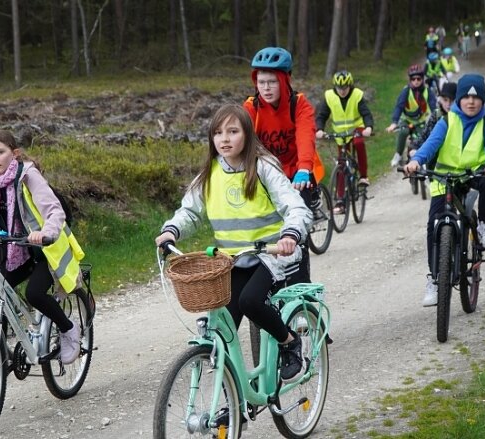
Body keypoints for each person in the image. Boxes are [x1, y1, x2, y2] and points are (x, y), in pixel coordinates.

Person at [154, 104, 312, 382]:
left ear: (247, 135)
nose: (224, 139)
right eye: (217, 133)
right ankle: (236, 399)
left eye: (232, 131)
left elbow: (296, 208)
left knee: (250, 301)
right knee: (224, 326)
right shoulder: (209, 174)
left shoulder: (263, 167)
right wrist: (171, 231)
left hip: (271, 255)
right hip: (233, 259)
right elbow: (189, 211)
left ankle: (289, 343)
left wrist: (290, 235)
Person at [0, 130, 85, 364]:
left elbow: (53, 210)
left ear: (15, 153)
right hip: (12, 252)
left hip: (44, 251)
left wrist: (45, 233)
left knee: (35, 294)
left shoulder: (27, 175)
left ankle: (68, 329)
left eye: (0, 152)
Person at [403, 74, 485, 306]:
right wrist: (416, 160)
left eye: (476, 97)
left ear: (482, 100)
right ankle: (435, 279)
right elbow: (431, 144)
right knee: (433, 224)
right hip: (445, 177)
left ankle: (484, 225)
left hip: (475, 174)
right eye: (466, 96)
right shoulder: (447, 120)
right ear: (459, 99)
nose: (471, 101)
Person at [243, 46, 323, 283]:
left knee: (296, 238)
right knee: (263, 237)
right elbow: (240, 141)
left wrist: (303, 168)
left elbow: (305, 136)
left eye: (272, 82)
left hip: (298, 173)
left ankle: (302, 296)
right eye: (261, 81)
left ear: (284, 80)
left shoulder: (298, 104)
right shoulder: (251, 107)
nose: (266, 88)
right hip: (267, 178)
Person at [314, 70, 374, 214]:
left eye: (345, 88)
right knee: (341, 165)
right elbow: (321, 115)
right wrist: (320, 129)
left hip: (356, 129)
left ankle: (364, 177)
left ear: (350, 86)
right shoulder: (329, 96)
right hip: (340, 134)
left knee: (359, 143)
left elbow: (366, 113)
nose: (342, 91)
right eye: (339, 88)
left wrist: (369, 127)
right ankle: (340, 201)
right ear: (335, 87)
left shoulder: (357, 95)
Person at [386, 64, 437, 167]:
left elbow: (434, 108)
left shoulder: (428, 92)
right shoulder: (406, 91)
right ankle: (398, 154)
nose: (416, 81)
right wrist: (394, 123)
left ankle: (422, 159)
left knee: (423, 136)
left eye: (419, 78)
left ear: (422, 79)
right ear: (410, 80)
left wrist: (437, 120)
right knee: (403, 132)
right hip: (407, 120)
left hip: (420, 121)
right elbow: (399, 106)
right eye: (413, 79)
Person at [410, 82, 457, 162]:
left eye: (452, 100)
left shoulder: (461, 117)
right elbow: (425, 135)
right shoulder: (437, 114)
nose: (448, 104)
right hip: (435, 157)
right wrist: (414, 147)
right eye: (445, 100)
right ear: (440, 100)